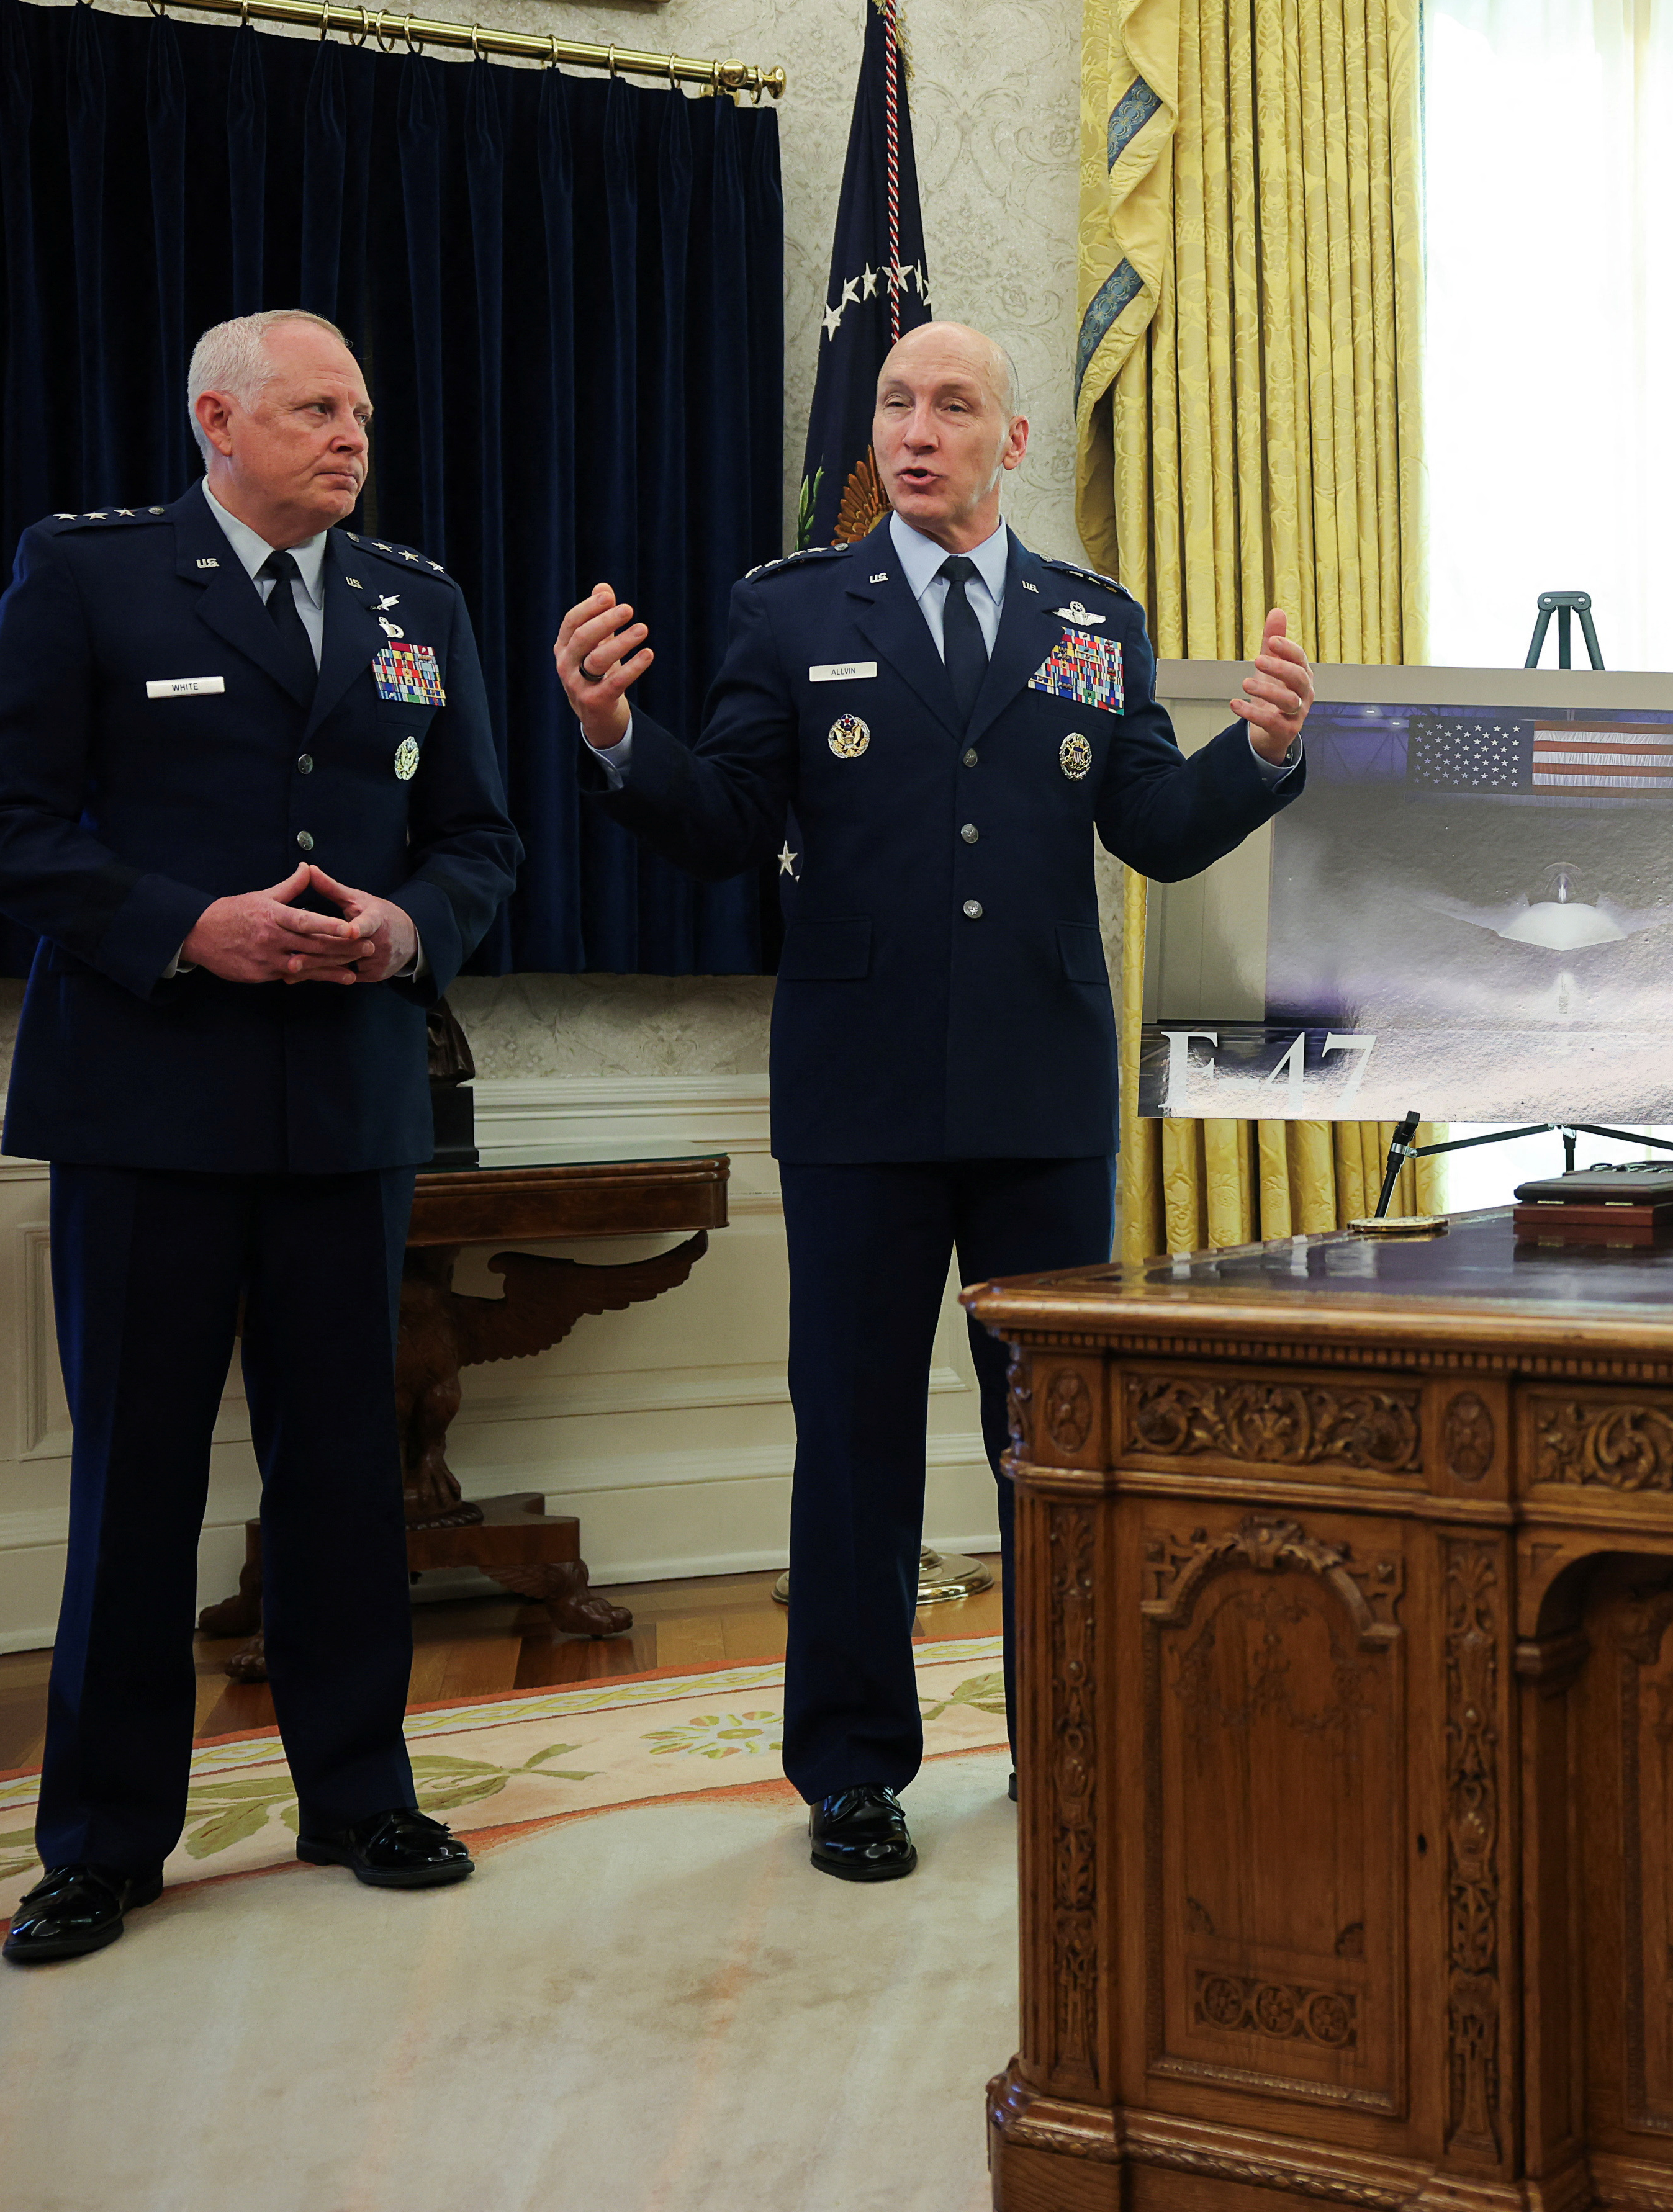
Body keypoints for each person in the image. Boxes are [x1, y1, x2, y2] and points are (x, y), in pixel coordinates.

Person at [550, 320, 1310, 1884]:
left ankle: (1069, 1739)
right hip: (859, 1097)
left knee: (1051, 1437)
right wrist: (621, 740)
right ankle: (852, 1770)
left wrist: (1263, 753)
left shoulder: (1092, 621)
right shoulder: (791, 607)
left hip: (1040, 1094)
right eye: (896, 401)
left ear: (1008, 441)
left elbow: (1156, 828)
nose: (915, 427)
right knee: (855, 1441)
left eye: (951, 404)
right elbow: (727, 821)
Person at [0, 309, 523, 1962]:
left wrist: (406, 933)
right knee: (138, 1483)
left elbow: (476, 836)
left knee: (346, 1471)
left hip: (347, 1104)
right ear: (219, 419)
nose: (353, 436)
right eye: (316, 409)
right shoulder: (90, 577)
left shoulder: (418, 601)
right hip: (148, 1106)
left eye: (361, 410)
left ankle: (358, 1792)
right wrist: (188, 922)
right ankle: (104, 1842)